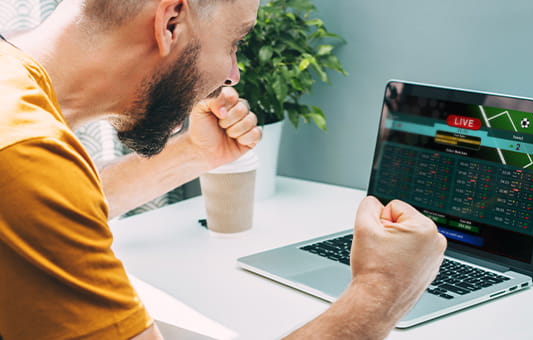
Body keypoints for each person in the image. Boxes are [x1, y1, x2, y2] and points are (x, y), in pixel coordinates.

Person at [0, 0, 446, 339]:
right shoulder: (28, 153)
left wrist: (193, 154)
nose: (231, 73)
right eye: (235, 42)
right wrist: (382, 290)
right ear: (170, 21)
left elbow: (51, 200)